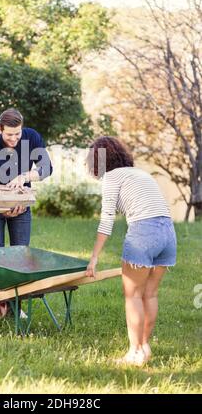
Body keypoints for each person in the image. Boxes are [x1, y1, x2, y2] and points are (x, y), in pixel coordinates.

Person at [85, 136, 177, 366]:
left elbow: (107, 219)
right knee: (150, 294)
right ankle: (145, 347)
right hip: (168, 233)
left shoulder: (111, 177)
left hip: (144, 233)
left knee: (133, 295)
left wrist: (94, 258)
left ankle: (134, 353)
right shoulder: (141, 174)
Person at [0, 108, 53, 318]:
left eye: (17, 133)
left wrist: (25, 176)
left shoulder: (31, 137)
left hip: (21, 204)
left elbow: (47, 168)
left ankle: (15, 306)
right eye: (9, 134)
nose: (14, 138)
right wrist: (5, 211)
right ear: (0, 129)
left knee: (20, 256)